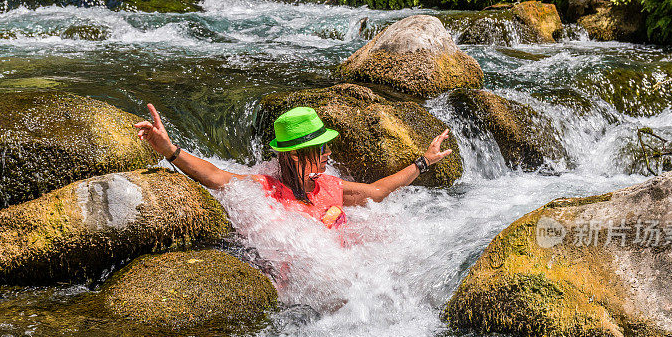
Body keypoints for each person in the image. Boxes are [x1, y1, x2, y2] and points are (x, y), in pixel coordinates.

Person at [134, 104, 452, 228]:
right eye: (321, 147)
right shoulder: (266, 190)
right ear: (298, 155)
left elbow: (377, 191)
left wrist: (424, 161)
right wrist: (169, 150)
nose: (328, 153)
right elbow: (217, 176)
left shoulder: (329, 187)